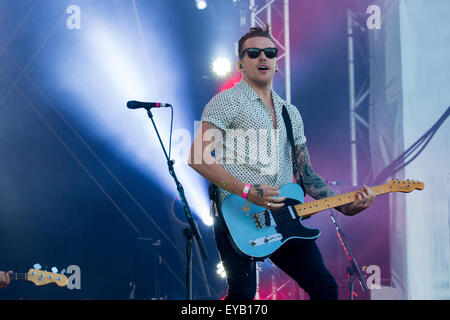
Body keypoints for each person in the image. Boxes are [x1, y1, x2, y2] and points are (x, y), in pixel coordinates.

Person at [188, 24, 375, 300]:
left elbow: (306, 174)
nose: (263, 57)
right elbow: (198, 159)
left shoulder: (291, 113)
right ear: (241, 63)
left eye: (269, 52)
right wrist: (246, 190)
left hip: (281, 214)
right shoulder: (226, 102)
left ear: (277, 62)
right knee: (241, 296)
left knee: (325, 288)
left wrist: (344, 204)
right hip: (238, 213)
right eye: (253, 53)